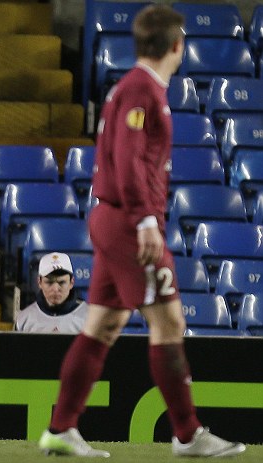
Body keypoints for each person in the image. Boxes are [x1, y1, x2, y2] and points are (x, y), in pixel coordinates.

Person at [38, 5, 245, 458]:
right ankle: (188, 434)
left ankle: (60, 427)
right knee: (169, 321)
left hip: (113, 217)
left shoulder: (129, 89)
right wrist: (147, 219)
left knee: (103, 324)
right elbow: (130, 159)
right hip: (129, 222)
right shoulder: (141, 90)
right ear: (176, 45)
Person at [14, 252, 88, 334]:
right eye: (49, 282)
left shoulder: (90, 318)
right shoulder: (24, 319)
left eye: (62, 282)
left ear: (71, 282)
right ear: (39, 282)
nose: (55, 289)